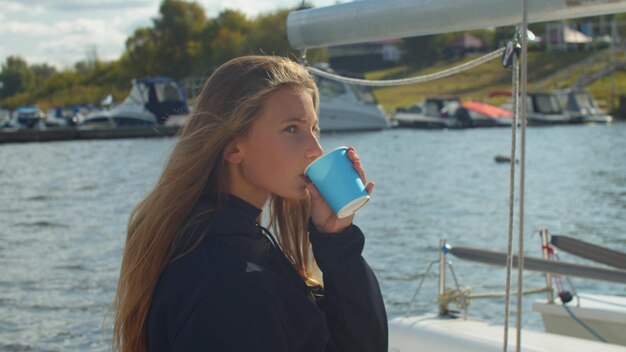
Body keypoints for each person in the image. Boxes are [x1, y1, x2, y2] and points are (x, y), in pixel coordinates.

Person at [112, 55, 387, 352]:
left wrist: (336, 239)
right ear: (233, 147)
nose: (315, 149)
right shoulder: (229, 286)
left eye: (313, 128)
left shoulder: (227, 246)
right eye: (292, 129)